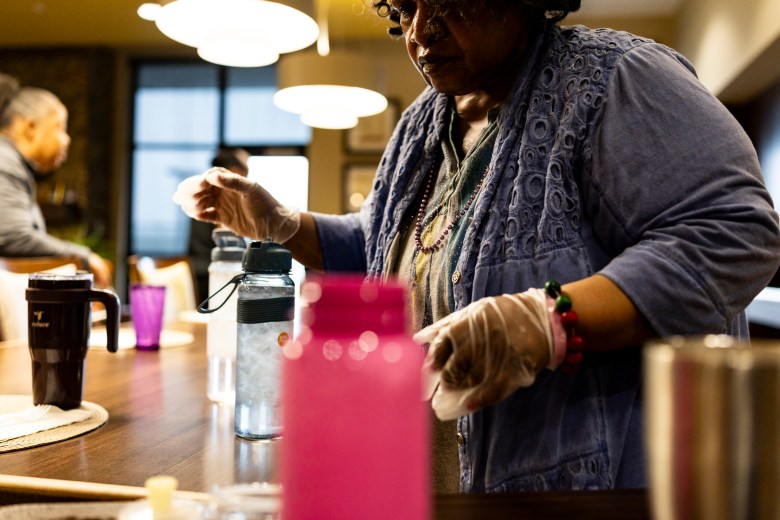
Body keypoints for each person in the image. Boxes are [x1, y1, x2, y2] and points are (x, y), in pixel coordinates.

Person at [173, 0, 780, 493]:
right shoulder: (422, 124)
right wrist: (283, 224)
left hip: (592, 493)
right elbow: (391, 250)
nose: (420, 32)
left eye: (451, 4)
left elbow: (731, 233)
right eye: (405, 7)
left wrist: (547, 322)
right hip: (441, 481)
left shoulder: (615, 80)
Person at [0, 73, 112, 288]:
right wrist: (84, 255)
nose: (67, 140)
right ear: (30, 127)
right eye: (60, 127)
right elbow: (12, 237)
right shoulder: (5, 162)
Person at [187, 147, 251, 299]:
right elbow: (229, 243)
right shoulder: (223, 197)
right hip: (212, 276)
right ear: (236, 172)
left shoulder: (207, 193)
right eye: (246, 171)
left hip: (203, 270)